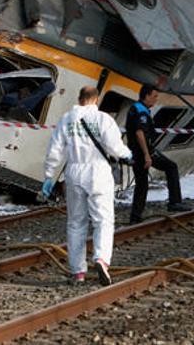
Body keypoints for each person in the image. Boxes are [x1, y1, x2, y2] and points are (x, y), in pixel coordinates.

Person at [41, 86, 132, 285]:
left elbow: (54, 150)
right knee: (103, 220)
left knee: (76, 223)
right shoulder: (103, 119)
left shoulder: (66, 119)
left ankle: (78, 272)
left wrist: (49, 176)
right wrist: (126, 154)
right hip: (98, 172)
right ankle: (101, 259)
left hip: (74, 172)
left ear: (79, 98)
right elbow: (114, 146)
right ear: (96, 99)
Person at [126, 84, 189, 223]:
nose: (155, 100)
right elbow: (139, 133)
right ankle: (174, 202)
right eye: (154, 97)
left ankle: (135, 218)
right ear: (146, 95)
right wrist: (147, 155)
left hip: (138, 153)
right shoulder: (141, 111)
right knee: (171, 167)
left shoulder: (137, 108)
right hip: (143, 153)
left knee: (142, 184)